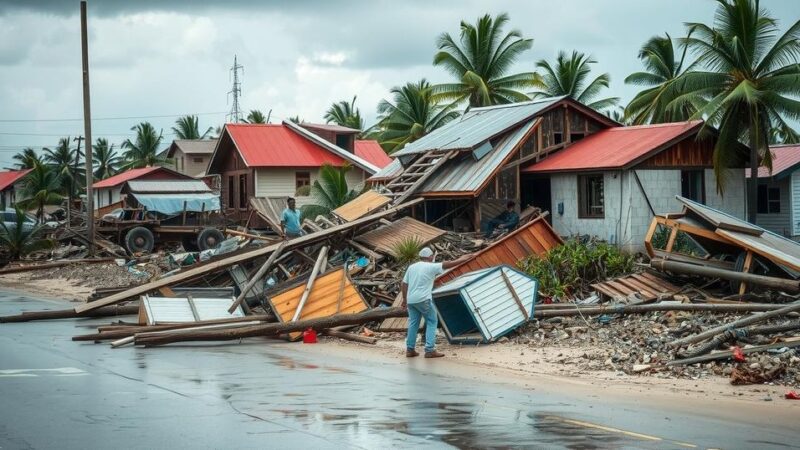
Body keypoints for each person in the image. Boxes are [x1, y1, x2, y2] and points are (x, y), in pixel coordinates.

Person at [401, 247, 472, 359]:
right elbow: (449, 264)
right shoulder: (431, 266)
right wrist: (463, 258)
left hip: (411, 300)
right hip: (423, 299)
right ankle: (429, 350)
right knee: (432, 320)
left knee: (413, 323)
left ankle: (410, 350)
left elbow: (404, 284)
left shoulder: (412, 267)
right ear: (430, 257)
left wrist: (405, 300)